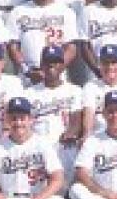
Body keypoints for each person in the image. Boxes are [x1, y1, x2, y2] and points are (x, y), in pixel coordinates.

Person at [6, 0, 81, 85]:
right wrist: (27, 70)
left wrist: (54, 71)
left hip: (58, 78)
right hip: (29, 78)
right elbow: (13, 47)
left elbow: (71, 49)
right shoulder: (18, 12)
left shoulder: (66, 12)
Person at [26, 45, 84, 182]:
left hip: (65, 145)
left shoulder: (74, 90)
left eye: (56, 61)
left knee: (69, 152)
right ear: (41, 65)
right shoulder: (29, 93)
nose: (51, 65)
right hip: (40, 146)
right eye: (47, 62)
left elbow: (76, 119)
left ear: (62, 65)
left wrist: (71, 131)